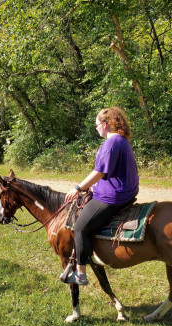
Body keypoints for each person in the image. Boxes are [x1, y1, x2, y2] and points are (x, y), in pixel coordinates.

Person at [62, 107, 139, 285]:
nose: (95, 128)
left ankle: (80, 274)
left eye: (96, 124)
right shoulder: (123, 140)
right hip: (126, 191)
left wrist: (78, 188)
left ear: (105, 124)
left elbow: (100, 172)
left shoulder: (111, 143)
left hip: (115, 195)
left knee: (80, 227)